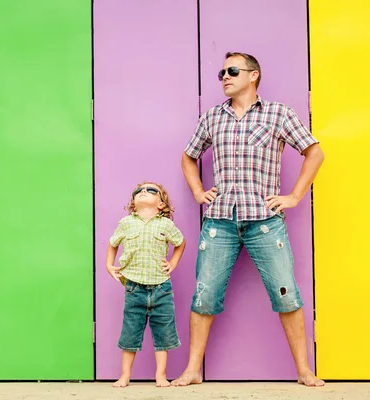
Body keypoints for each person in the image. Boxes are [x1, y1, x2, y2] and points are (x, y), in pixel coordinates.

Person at [172, 52, 325, 387]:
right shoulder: (213, 117)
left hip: (265, 222)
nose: (225, 76)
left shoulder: (278, 113)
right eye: (222, 73)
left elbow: (314, 151)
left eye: (232, 71)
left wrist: (295, 196)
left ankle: (303, 371)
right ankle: (193, 370)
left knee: (286, 294)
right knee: (204, 294)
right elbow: (188, 156)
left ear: (253, 75)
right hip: (219, 223)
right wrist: (199, 192)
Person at [106, 181, 186, 388]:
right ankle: (125, 375)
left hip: (161, 288)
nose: (143, 192)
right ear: (133, 203)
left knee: (163, 333)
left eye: (151, 190)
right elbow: (112, 243)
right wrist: (108, 265)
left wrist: (173, 263)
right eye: (138, 191)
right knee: (130, 332)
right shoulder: (126, 223)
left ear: (161, 204)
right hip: (134, 288)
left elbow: (180, 243)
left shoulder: (166, 225)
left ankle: (161, 375)